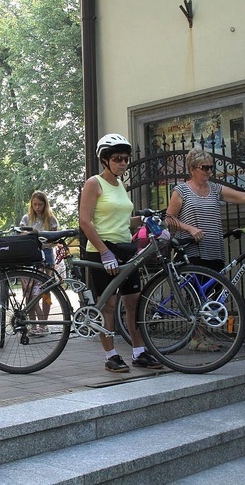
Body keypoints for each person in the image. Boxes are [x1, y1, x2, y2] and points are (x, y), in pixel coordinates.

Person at [165, 148, 245, 351]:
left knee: (211, 294)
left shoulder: (215, 189)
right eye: (205, 167)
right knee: (197, 295)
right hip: (193, 250)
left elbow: (243, 197)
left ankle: (201, 336)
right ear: (193, 168)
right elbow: (168, 219)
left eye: (211, 167)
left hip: (214, 247)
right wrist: (189, 228)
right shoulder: (181, 191)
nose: (210, 171)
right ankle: (196, 338)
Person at [79, 133, 163, 373]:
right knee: (108, 305)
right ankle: (110, 355)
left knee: (133, 303)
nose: (123, 163)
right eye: (118, 158)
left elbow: (124, 220)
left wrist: (145, 219)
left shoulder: (120, 185)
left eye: (126, 159)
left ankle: (139, 353)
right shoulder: (94, 183)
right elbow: (85, 221)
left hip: (126, 247)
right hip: (102, 249)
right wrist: (105, 252)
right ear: (105, 159)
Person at [20, 190, 60, 336]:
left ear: (45, 204)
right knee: (29, 290)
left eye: (40, 204)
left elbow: (55, 239)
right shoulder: (26, 218)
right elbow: (21, 235)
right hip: (30, 255)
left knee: (45, 290)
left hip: (47, 255)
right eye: (35, 204)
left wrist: (45, 241)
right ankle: (33, 323)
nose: (37, 207)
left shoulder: (51, 219)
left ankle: (44, 323)